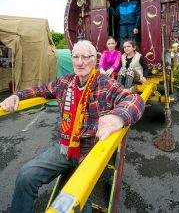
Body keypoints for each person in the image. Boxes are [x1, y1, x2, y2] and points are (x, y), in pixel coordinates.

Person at [0, 40, 145, 213]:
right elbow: (41, 90)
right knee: (26, 176)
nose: (80, 61)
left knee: (74, 202)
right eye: (75, 56)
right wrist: (18, 96)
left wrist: (118, 117)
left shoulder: (104, 83)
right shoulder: (65, 82)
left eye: (85, 57)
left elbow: (134, 100)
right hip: (65, 147)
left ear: (94, 60)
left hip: (90, 153)